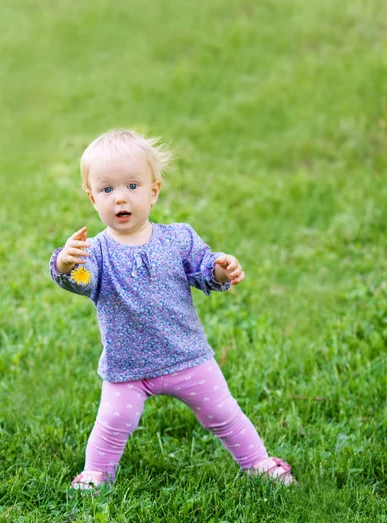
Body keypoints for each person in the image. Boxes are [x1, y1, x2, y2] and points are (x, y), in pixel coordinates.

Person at [49, 129, 295, 490]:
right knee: (113, 422)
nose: (120, 198)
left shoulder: (178, 238)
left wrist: (220, 269)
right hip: (128, 366)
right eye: (107, 189)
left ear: (153, 190)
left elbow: (203, 269)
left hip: (186, 355)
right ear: (92, 197)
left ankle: (258, 462)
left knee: (223, 413)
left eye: (132, 186)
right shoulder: (95, 253)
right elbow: (84, 281)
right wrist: (67, 265)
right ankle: (96, 475)